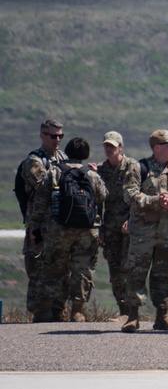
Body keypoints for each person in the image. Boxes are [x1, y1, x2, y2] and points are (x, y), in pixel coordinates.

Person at [121, 129, 168, 333]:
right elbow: (129, 195)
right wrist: (156, 201)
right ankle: (133, 316)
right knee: (136, 273)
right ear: (157, 147)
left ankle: (163, 316)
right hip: (142, 235)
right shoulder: (139, 168)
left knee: (166, 275)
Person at [27, 137, 107, 322]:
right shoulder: (91, 174)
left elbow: (41, 201)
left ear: (68, 152)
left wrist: (35, 226)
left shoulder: (55, 172)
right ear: (85, 155)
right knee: (82, 270)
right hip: (87, 231)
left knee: (54, 268)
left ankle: (44, 312)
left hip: (59, 229)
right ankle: (77, 311)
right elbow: (103, 196)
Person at [17, 119, 68, 322]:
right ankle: (40, 313)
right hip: (39, 226)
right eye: (53, 135)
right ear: (42, 135)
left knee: (61, 269)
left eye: (60, 136)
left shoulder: (64, 158)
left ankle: (58, 311)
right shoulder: (34, 161)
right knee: (38, 270)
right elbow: (44, 184)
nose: (57, 140)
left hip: (60, 227)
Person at [96, 131, 140, 321]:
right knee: (115, 270)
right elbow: (98, 202)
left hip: (129, 225)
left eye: (112, 146)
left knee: (129, 267)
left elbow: (138, 196)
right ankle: (123, 310)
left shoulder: (132, 166)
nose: (109, 149)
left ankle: (132, 311)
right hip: (110, 227)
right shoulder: (101, 170)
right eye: (106, 145)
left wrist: (131, 219)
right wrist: (100, 228)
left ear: (120, 147)